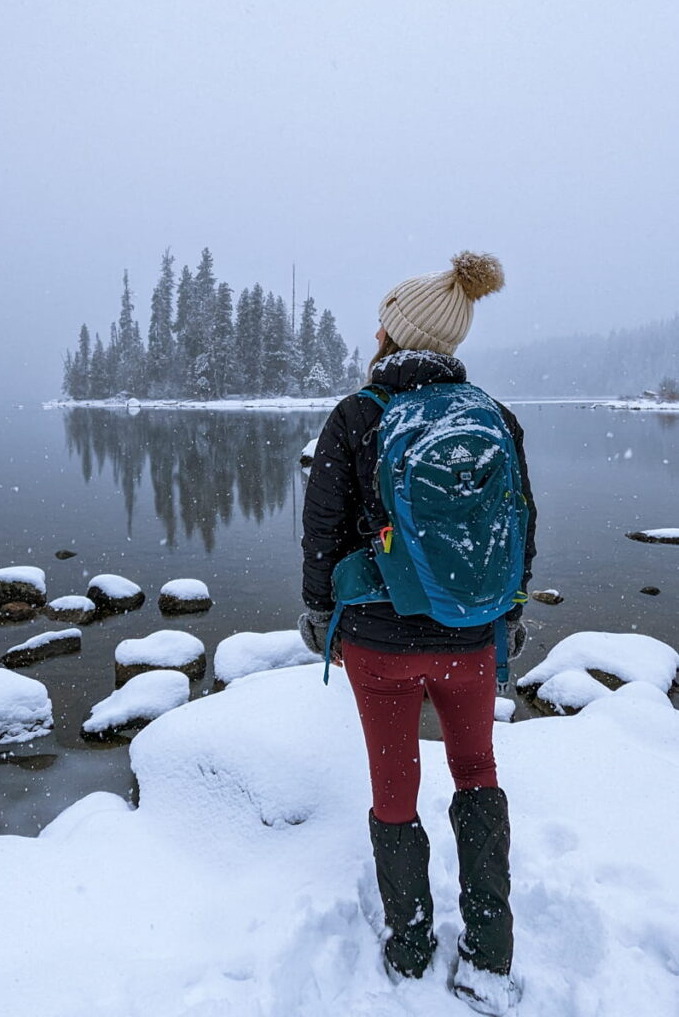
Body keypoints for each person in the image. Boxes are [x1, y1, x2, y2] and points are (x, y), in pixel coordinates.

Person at [298, 252, 536, 1017]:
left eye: (382, 319)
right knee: (475, 771)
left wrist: (317, 614)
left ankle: (408, 945)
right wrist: (509, 613)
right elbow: (520, 529)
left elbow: (323, 531)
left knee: (393, 787)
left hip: (375, 637)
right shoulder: (493, 417)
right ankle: (489, 952)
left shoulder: (356, 415)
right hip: (470, 637)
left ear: (393, 335)